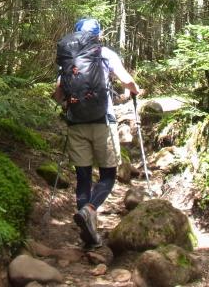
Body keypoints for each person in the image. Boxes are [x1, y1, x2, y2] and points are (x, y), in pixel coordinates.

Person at [53, 18, 140, 247]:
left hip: (76, 123)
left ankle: (87, 229)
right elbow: (126, 80)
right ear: (98, 35)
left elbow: (58, 95)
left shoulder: (68, 58)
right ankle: (90, 210)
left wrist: (69, 103)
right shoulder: (105, 53)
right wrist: (135, 90)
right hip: (103, 122)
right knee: (108, 175)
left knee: (83, 177)